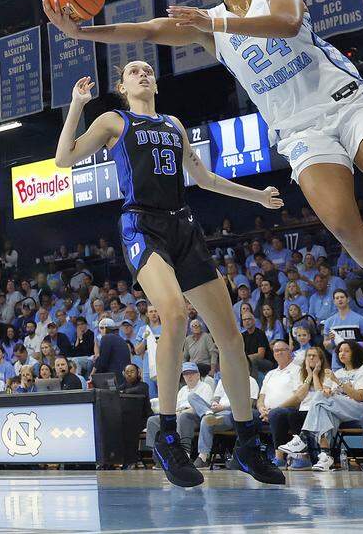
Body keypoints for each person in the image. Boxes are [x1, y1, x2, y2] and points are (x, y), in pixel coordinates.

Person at [46, 0, 363, 374]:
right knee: (343, 224)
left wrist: (214, 23)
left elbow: (286, 24)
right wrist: (81, 31)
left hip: (344, 102)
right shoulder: (213, 24)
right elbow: (145, 31)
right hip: (299, 130)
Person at [54, 68, 284, 488]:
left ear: (156, 84)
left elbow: (205, 179)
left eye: (148, 71)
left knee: (230, 338)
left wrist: (258, 196)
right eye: (132, 72)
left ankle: (248, 443)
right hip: (141, 224)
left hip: (184, 227)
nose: (143, 73)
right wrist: (76, 106)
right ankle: (167, 435)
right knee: (175, 314)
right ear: (122, 88)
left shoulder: (173, 125)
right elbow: (63, 158)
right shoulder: (113, 121)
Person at [279, 342, 363, 470]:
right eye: (340, 351)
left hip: (360, 408)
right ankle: (325, 456)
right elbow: (329, 394)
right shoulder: (338, 372)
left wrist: (337, 382)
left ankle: (304, 438)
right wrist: (330, 391)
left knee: (320, 398)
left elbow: (359, 397)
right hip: (338, 409)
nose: (342, 353)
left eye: (346, 351)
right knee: (323, 408)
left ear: (355, 353)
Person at [144, 362, 212, 459]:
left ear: (198, 375)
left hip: (194, 416)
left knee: (183, 417)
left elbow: (204, 408)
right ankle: (157, 453)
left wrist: (182, 412)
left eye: (191, 373)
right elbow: (174, 407)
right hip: (178, 414)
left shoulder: (205, 387)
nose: (189, 376)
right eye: (186, 374)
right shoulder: (182, 390)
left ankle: (185, 452)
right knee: (153, 420)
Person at [118, 364, 152, 469]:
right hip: (127, 419)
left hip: (143, 418)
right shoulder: (122, 386)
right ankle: (117, 459)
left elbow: (137, 390)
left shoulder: (143, 385)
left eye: (132, 371)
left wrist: (123, 392)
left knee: (130, 425)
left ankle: (132, 460)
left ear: (138, 373)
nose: (129, 374)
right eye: (127, 372)